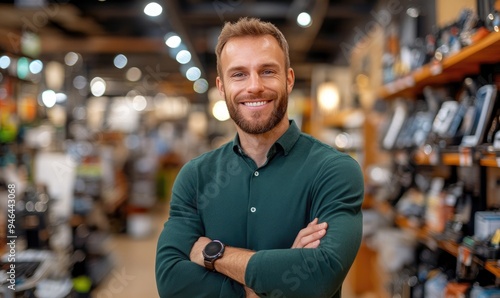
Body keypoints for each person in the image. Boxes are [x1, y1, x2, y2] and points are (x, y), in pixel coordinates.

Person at [155, 17, 364, 298]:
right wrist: (271, 281)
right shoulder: (195, 177)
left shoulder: (334, 171)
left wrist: (213, 254)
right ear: (222, 87)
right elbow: (171, 282)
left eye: (267, 71)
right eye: (239, 74)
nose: (254, 86)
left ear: (288, 79)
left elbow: (319, 276)